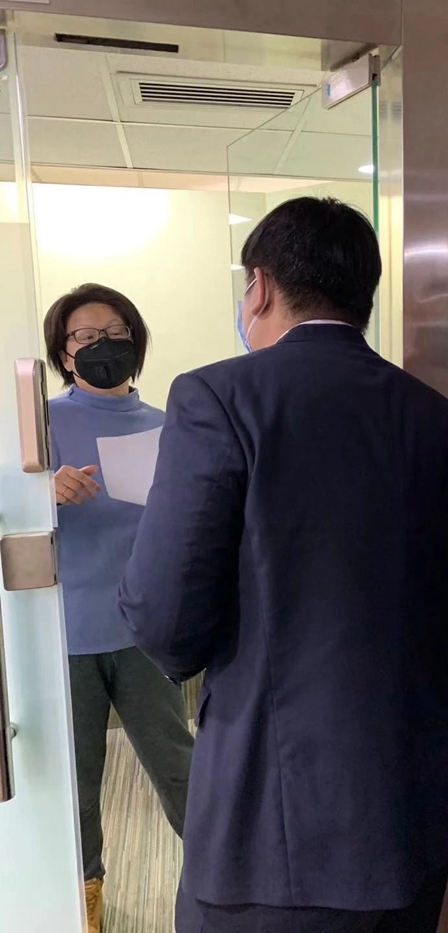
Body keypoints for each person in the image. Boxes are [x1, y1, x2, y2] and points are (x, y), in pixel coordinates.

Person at [117, 197, 448, 933]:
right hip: (416, 806)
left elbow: (164, 614)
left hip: (276, 818)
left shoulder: (217, 397)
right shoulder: (441, 418)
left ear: (258, 286)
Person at [44, 284, 194, 933]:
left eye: (115, 332)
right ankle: (86, 891)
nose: (102, 345)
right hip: (65, 634)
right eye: (85, 336)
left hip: (142, 628)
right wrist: (41, 488)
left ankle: (220, 875)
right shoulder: (39, 423)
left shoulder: (168, 423)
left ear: (135, 339)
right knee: (77, 779)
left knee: (178, 763)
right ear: (64, 352)